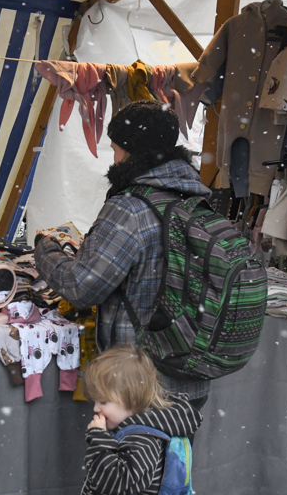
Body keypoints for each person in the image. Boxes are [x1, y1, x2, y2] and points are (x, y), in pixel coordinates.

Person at [34, 100, 213, 400]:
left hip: (138, 384)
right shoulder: (197, 201)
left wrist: (46, 251)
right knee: (177, 449)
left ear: (132, 151)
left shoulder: (131, 208)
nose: (113, 159)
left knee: (129, 449)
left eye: (115, 148)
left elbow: (81, 287)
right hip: (190, 374)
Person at [80, 345, 202, 495]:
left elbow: (115, 484)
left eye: (103, 402)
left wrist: (99, 439)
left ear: (133, 399)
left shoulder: (143, 440)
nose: (95, 409)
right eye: (95, 401)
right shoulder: (136, 430)